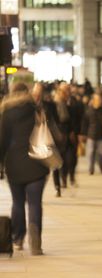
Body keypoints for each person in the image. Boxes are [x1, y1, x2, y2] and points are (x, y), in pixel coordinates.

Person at [0, 83, 59, 254]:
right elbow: (50, 132)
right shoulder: (37, 109)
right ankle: (36, 241)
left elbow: (2, 141)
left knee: (17, 202)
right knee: (34, 203)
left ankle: (18, 238)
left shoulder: (7, 113)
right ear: (27, 93)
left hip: (15, 164)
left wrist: (2, 162)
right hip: (37, 162)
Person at [81, 93, 102, 175]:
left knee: (101, 153)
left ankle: (101, 166)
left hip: (101, 135)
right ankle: (91, 169)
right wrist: (83, 134)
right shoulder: (88, 111)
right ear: (93, 101)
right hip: (91, 135)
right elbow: (85, 123)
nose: (99, 101)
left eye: (100, 100)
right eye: (97, 100)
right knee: (90, 153)